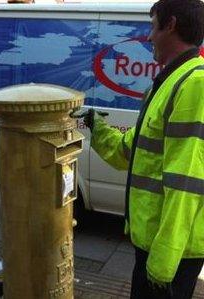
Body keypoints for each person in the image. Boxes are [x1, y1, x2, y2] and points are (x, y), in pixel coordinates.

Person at [83, 0, 204, 298]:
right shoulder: (167, 82)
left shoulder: (194, 84)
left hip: (171, 255)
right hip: (152, 244)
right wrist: (96, 127)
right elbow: (131, 150)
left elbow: (186, 184)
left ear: (171, 25)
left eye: (152, 26)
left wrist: (163, 265)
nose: (148, 37)